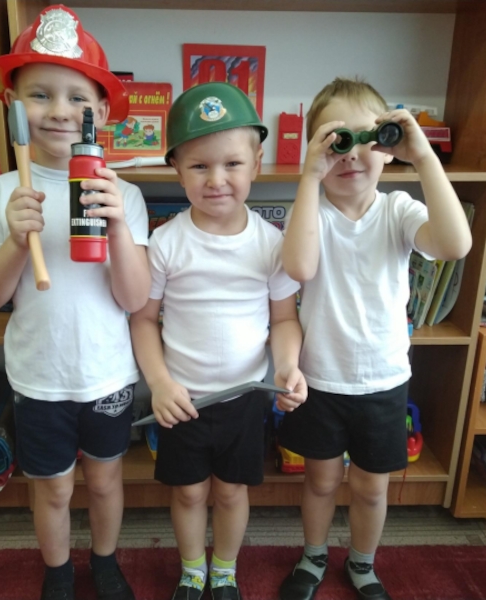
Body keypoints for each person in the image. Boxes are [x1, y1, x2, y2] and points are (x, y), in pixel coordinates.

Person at [0, 6, 150, 600]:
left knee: (105, 481)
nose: (59, 110)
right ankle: (57, 573)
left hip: (106, 372)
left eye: (77, 98)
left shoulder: (123, 193)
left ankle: (105, 562)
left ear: (101, 113)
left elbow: (135, 297)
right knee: (52, 488)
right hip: (39, 376)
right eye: (40, 95)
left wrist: (118, 226)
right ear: (13, 106)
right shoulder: (0, 192)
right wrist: (15, 241)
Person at [277, 77, 472, 600]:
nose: (351, 153)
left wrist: (423, 157)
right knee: (320, 481)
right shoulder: (311, 215)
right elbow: (299, 267)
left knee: (370, 486)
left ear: (388, 148)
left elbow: (455, 244)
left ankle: (363, 563)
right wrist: (308, 178)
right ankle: (314, 555)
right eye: (336, 141)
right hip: (321, 379)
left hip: (383, 381)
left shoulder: (398, 210)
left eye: (367, 138)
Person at [130, 82, 308, 600]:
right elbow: (143, 320)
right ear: (177, 170)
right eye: (199, 166)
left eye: (232, 164)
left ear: (256, 163)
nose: (216, 180)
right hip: (181, 399)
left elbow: (284, 319)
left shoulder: (272, 244)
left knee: (230, 492)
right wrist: (159, 383)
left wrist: (287, 366)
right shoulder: (165, 242)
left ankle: (224, 570)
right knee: (188, 493)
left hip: (244, 399)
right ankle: (192, 570)